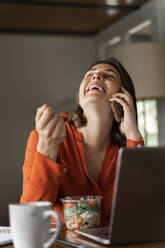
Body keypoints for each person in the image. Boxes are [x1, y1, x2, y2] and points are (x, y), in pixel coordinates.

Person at [20, 57, 144, 224]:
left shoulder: (128, 148)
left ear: (123, 97)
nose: (96, 77)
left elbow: (142, 212)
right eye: (90, 74)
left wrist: (133, 134)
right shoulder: (44, 136)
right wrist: (47, 146)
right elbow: (31, 216)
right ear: (79, 97)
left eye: (108, 75)